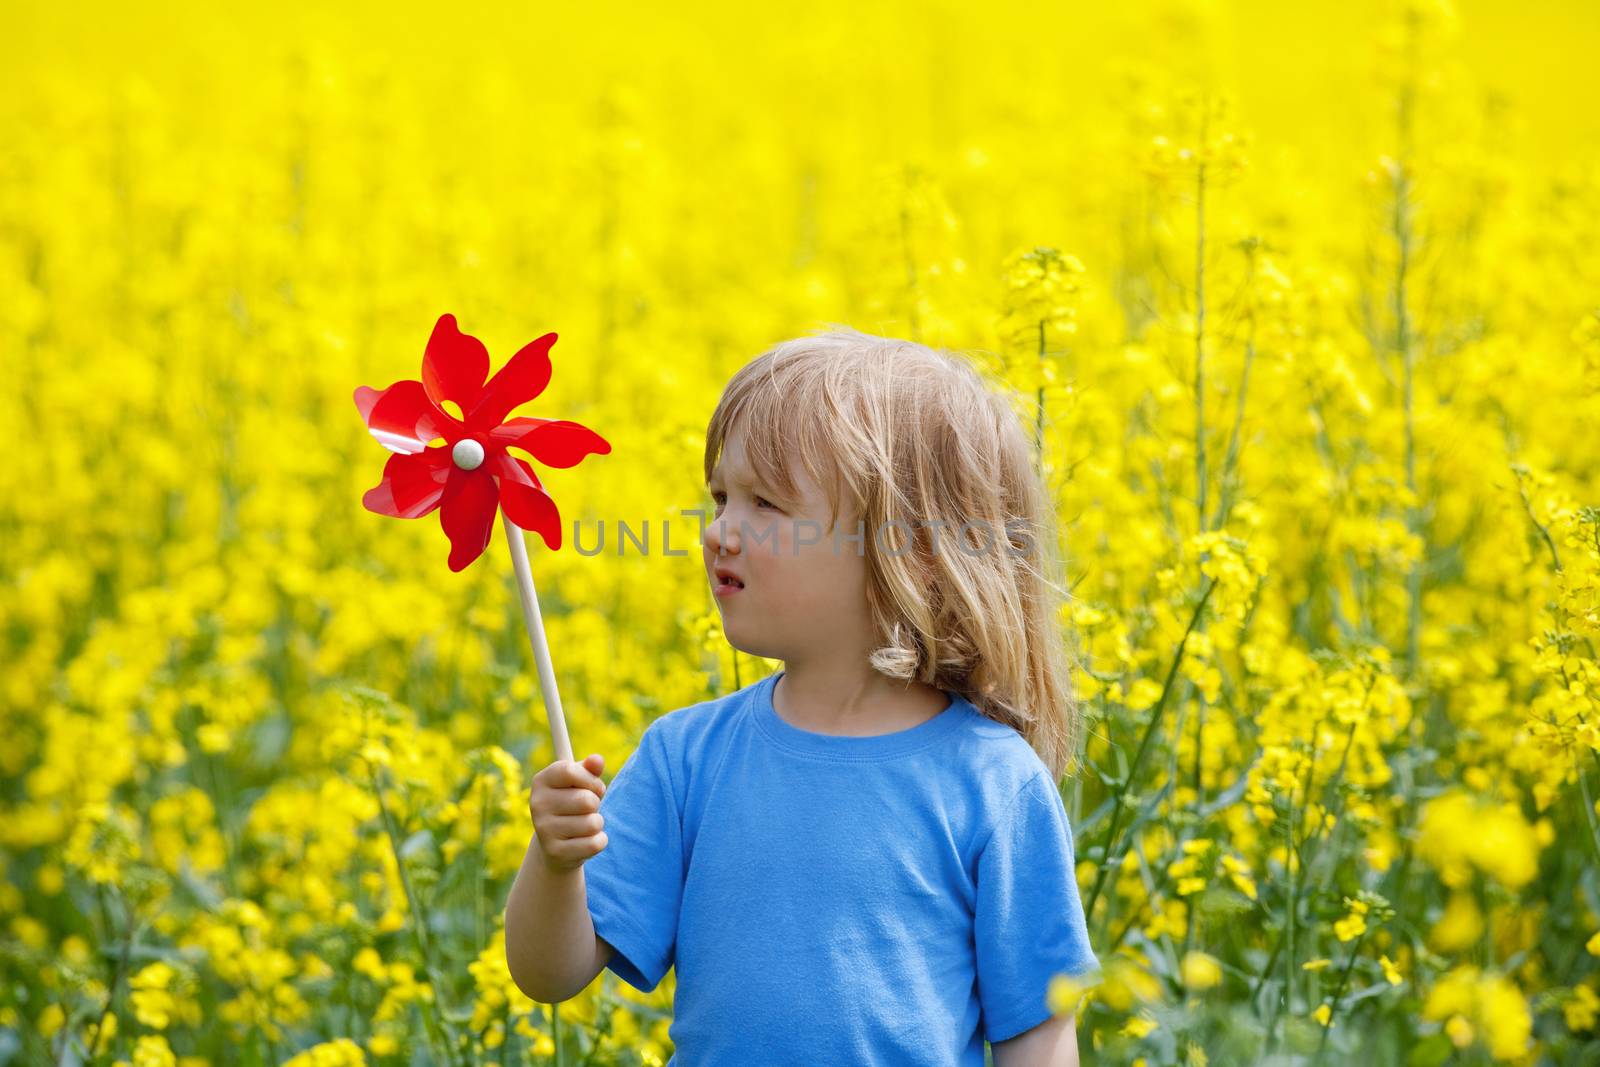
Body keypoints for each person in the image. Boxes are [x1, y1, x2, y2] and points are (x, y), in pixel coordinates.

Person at [505, 326, 1099, 1066]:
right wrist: (557, 863)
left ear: (910, 549)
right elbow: (550, 973)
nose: (722, 529)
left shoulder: (992, 780)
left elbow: (1037, 1028)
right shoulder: (686, 756)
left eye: (767, 505)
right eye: (721, 496)